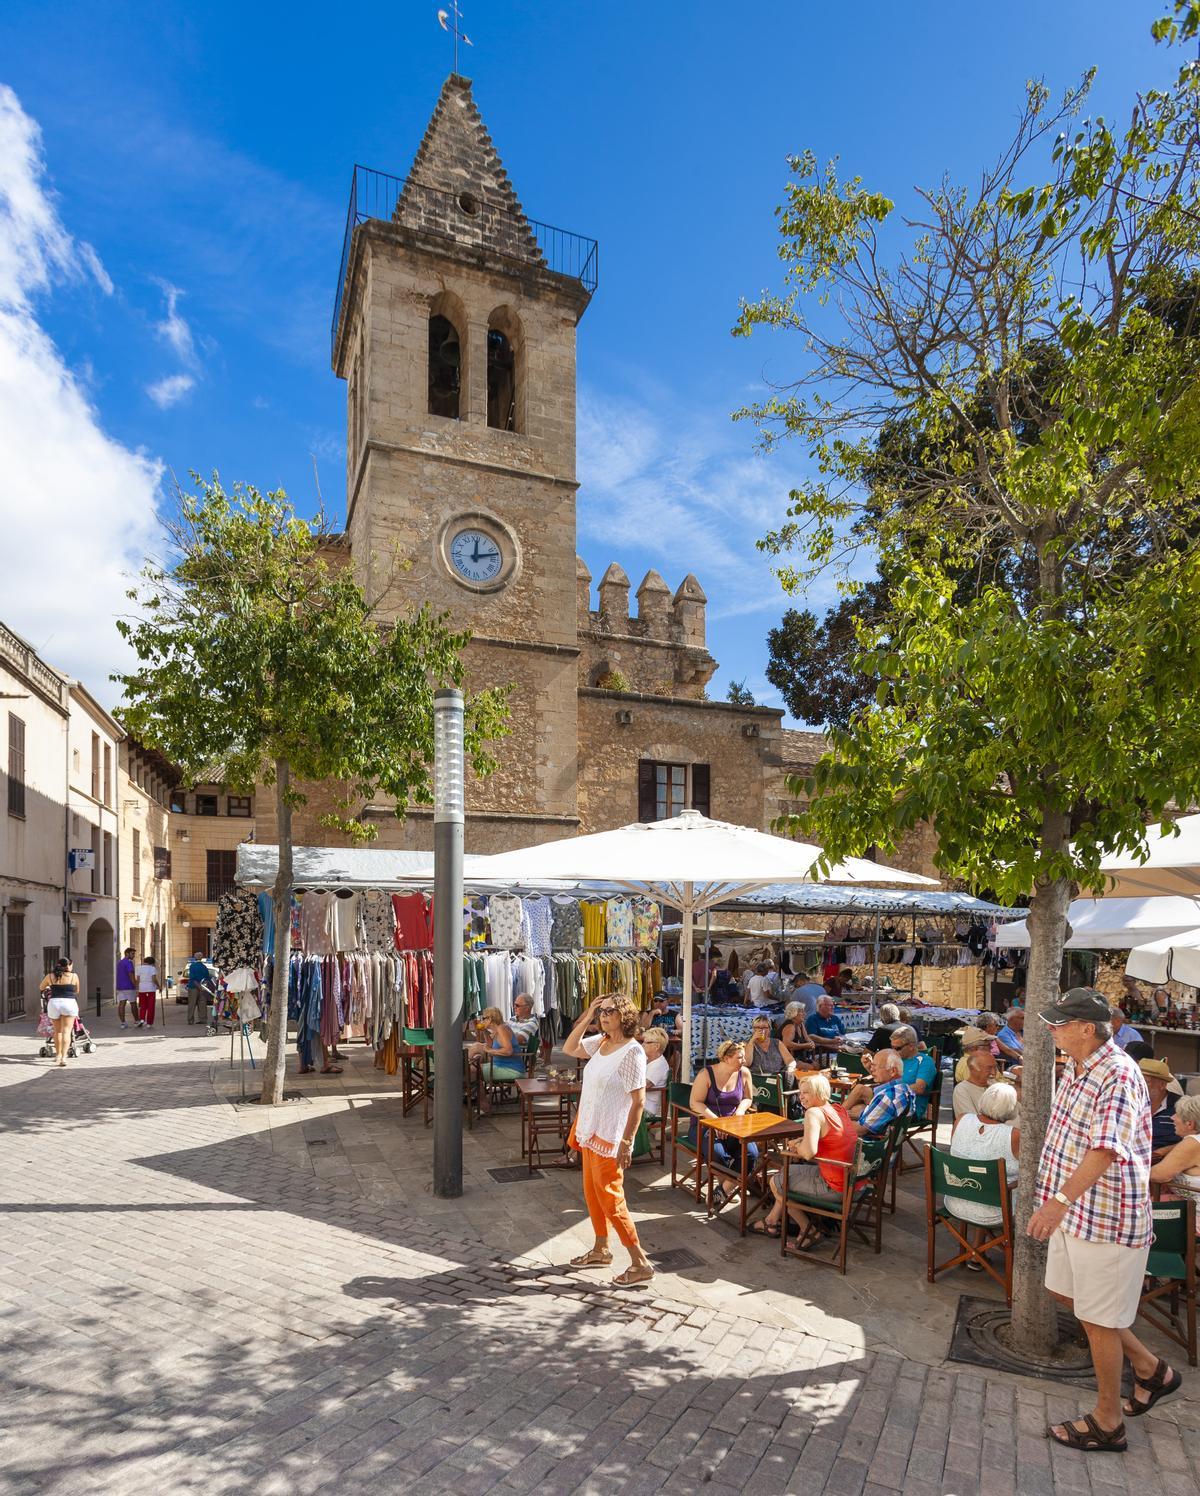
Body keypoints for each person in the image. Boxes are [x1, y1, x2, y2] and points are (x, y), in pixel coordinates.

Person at [1027, 988, 1177, 1454]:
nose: (1052, 1030)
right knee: (1069, 1296)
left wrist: (1056, 1202)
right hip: (1079, 1215)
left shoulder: (1115, 1073)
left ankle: (1108, 1421)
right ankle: (1151, 1368)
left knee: (1097, 1319)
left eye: (1059, 1024)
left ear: (1086, 1029)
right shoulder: (1077, 1066)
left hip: (1105, 1217)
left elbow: (1106, 1149)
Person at [562, 994, 654, 1287]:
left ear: (625, 1015)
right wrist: (588, 1013)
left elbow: (638, 1101)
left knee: (612, 1201)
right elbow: (569, 1048)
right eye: (602, 1011)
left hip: (610, 1135)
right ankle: (601, 1249)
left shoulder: (632, 1053)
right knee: (592, 1194)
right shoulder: (601, 1043)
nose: (604, 1015)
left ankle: (640, 1262)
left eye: (610, 1011)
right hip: (590, 1129)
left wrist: (626, 1143)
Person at [755, 1072, 858, 1246]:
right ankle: (771, 1221)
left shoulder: (813, 1113)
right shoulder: (837, 1109)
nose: (800, 1097)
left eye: (806, 1093)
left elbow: (808, 1153)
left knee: (776, 1182)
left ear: (818, 1093)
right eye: (800, 1092)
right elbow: (829, 1136)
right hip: (852, 1180)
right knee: (784, 1174)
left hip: (834, 1186)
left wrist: (797, 1147)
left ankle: (809, 1231)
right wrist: (801, 1141)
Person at [948, 1082, 1020, 1265]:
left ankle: (976, 1250)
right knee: (1026, 1183)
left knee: (985, 1178)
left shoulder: (961, 1119)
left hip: (956, 1199)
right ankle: (1023, 1255)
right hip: (994, 1210)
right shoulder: (1014, 1136)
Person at [688, 1038, 757, 1208]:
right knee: (717, 1153)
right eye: (739, 1058)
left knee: (752, 1153)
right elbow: (695, 1102)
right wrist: (716, 1121)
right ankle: (735, 1183)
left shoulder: (744, 1073)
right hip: (706, 1122)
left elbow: (748, 1098)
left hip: (734, 1123)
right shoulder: (706, 1073)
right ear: (726, 1058)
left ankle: (724, 1188)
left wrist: (740, 1110)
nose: (744, 1061)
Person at [1149, 1093, 1200, 1222]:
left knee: (1139, 1210)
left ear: (1190, 1124)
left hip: (1194, 1216)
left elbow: (1158, 1174)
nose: (1172, 1117)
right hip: (1189, 1206)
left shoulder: (1192, 1143)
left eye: (1177, 1114)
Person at [467, 1007, 525, 1112]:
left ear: (490, 1019)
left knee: (471, 1071)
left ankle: (483, 1104)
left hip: (511, 1069)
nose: (482, 1020)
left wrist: (490, 1051)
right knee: (471, 1068)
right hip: (501, 1065)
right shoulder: (498, 1029)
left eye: (484, 1018)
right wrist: (484, 1031)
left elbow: (508, 1051)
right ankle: (476, 1097)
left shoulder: (502, 1029)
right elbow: (491, 1045)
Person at [844, 1049, 914, 1133]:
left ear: (892, 1071)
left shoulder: (887, 1096)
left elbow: (860, 1130)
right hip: (890, 1137)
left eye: (875, 1066)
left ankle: (835, 1114)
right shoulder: (904, 1088)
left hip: (871, 1142)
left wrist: (834, 1122)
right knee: (856, 1108)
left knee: (832, 1123)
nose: (872, 1069)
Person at [1137, 1058, 1183, 1156]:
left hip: (1167, 1162)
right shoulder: (1131, 1103)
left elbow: (1194, 1139)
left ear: (1162, 1085)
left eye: (1146, 1081)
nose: (1139, 1085)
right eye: (1136, 1080)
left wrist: (1161, 1153)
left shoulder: (1181, 1107)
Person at [39, 959, 80, 1067]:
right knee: (66, 1031)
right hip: (69, 1003)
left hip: (54, 1003)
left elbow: (41, 987)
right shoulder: (74, 976)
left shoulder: (50, 976)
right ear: (68, 966)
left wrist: (50, 987)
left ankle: (58, 1055)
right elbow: (77, 991)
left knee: (57, 1031)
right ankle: (63, 1058)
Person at [890, 1025, 938, 1117]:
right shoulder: (896, 1059)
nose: (894, 1051)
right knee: (858, 1107)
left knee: (861, 1107)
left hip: (909, 1107)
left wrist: (891, 1091)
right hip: (890, 1101)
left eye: (897, 1048)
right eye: (892, 1047)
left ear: (911, 1046)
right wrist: (870, 1068)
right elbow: (882, 1080)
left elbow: (919, 1088)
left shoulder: (925, 1061)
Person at [953, 1037, 1000, 1121]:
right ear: (973, 1069)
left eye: (995, 1067)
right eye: (989, 1068)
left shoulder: (994, 1084)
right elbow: (971, 1123)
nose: (993, 1073)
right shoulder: (963, 1089)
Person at [746, 1014, 798, 1078]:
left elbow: (790, 1060)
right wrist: (751, 1041)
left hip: (777, 1078)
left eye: (764, 1027)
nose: (761, 1030)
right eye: (757, 1027)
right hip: (757, 1078)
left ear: (769, 1029)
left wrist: (790, 1069)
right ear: (753, 1029)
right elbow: (747, 1063)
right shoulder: (748, 1043)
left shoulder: (777, 1043)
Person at [640, 1027, 671, 1119]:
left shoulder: (659, 1065)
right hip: (638, 1103)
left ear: (656, 1046)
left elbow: (643, 1086)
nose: (642, 1045)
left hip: (646, 1108)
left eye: (646, 1042)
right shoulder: (647, 1059)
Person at [186, 952, 214, 1027]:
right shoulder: (204, 967)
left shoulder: (192, 966)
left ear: (195, 957)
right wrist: (202, 987)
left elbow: (192, 977)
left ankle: (190, 1020)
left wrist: (198, 986)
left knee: (192, 1004)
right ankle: (203, 1019)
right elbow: (207, 978)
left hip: (193, 987)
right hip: (203, 987)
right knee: (202, 1003)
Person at [135, 954, 161, 1028]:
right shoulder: (152, 968)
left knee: (142, 1006)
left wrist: (137, 989)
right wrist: (159, 986)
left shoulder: (138, 968)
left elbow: (138, 980)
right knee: (151, 1006)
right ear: (152, 963)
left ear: (144, 961)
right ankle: (149, 1023)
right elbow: (154, 979)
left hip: (142, 989)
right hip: (151, 989)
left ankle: (142, 1019)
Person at [116, 947, 138, 1028]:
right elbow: (131, 975)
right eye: (132, 954)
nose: (133, 955)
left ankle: (123, 1023)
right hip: (129, 986)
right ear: (127, 954)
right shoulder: (129, 963)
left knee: (122, 1004)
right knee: (133, 1004)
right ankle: (136, 1021)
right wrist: (136, 984)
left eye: (134, 954)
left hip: (120, 986)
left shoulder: (120, 962)